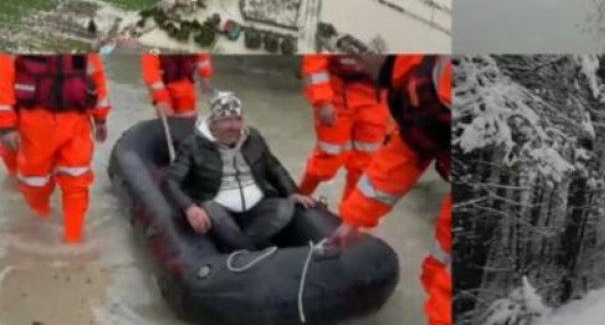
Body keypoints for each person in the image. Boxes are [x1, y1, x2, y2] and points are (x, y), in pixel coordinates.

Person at [327, 55, 451, 325]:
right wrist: (354, 218)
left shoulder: (441, 74)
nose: (354, 63)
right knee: (438, 272)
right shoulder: (413, 84)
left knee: (449, 291)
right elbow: (409, 148)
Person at [164, 91, 318, 251]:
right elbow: (171, 180)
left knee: (284, 208)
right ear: (213, 122)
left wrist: (292, 192)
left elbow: (274, 168)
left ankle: (241, 247)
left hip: (256, 204)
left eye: (238, 119)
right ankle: (252, 251)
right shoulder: (193, 145)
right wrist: (189, 207)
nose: (234, 126)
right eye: (226, 120)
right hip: (217, 204)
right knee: (211, 209)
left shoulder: (254, 138)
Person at [0, 54, 111, 244]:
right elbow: (3, 82)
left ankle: (73, 241)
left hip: (77, 121)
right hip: (34, 123)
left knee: (77, 180)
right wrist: (7, 126)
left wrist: (100, 118)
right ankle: (39, 226)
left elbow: (96, 75)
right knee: (35, 184)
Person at [297, 55, 389, 205]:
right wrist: (322, 101)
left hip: (376, 100)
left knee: (364, 167)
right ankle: (298, 197)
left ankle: (348, 215)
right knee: (327, 161)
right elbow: (314, 63)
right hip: (337, 99)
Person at [142, 54, 213, 118]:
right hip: (162, 81)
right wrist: (161, 99)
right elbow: (151, 73)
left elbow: (203, 63)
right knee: (165, 113)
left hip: (184, 83)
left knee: (188, 115)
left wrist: (206, 82)